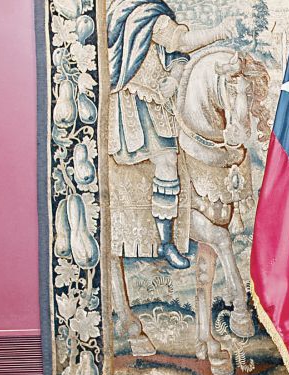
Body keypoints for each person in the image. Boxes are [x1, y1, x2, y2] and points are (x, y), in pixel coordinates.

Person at [106, 0, 234, 269]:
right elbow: (182, 42)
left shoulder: (153, 10)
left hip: (158, 101)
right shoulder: (140, 12)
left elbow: (175, 56)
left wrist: (175, 79)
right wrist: (219, 32)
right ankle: (165, 243)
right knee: (166, 162)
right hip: (136, 99)